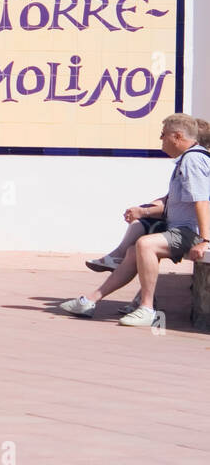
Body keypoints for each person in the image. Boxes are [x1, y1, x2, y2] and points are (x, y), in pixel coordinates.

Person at [62, 114, 210, 326]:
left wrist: (205, 240)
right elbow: (176, 202)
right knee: (134, 251)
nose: (161, 140)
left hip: (190, 232)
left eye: (163, 136)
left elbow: (202, 201)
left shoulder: (193, 160)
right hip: (181, 229)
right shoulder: (188, 159)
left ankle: (147, 308)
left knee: (145, 244)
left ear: (177, 137)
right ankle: (91, 300)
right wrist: (144, 210)